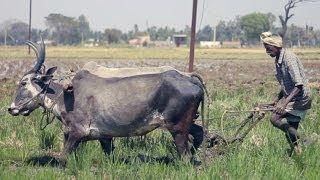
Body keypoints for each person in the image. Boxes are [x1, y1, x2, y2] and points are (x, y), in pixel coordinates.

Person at [260, 32, 312, 156]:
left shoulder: (289, 59)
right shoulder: (278, 60)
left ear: (276, 46)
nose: (267, 51)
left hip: (301, 98)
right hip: (293, 97)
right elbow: (285, 84)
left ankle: (305, 140)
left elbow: (299, 85)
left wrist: (284, 103)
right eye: (265, 48)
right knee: (290, 131)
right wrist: (276, 100)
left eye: (268, 48)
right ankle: (297, 154)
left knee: (275, 118)